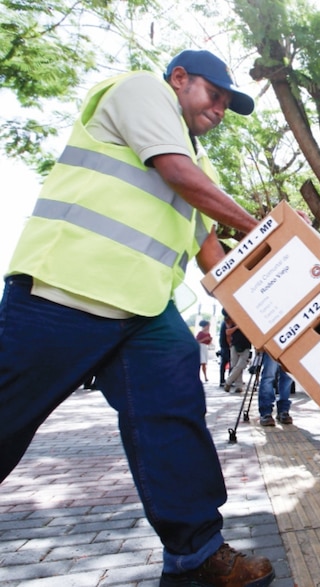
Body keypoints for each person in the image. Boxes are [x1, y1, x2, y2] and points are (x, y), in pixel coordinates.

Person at [0, 50, 277, 587]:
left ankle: (196, 555)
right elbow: (175, 172)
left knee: (175, 414)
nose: (219, 110)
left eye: (226, 104)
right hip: (65, 287)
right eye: (213, 95)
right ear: (180, 79)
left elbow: (210, 254)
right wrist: (259, 226)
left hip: (143, 312)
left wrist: (264, 318)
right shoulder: (142, 92)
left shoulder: (203, 170)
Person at [257, 352, 294, 427]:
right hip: (271, 346)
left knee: (287, 377)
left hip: (290, 345)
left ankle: (283, 410)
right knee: (269, 376)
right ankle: (266, 412)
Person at [224, 321, 252, 393]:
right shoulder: (233, 321)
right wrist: (236, 327)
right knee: (234, 365)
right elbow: (227, 332)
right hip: (235, 345)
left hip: (246, 346)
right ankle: (238, 386)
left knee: (240, 366)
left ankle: (228, 382)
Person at [218, 311, 232, 386]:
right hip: (226, 345)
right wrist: (230, 344)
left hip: (223, 344)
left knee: (223, 363)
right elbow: (228, 335)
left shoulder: (224, 322)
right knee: (230, 363)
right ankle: (229, 380)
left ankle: (222, 380)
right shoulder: (227, 322)